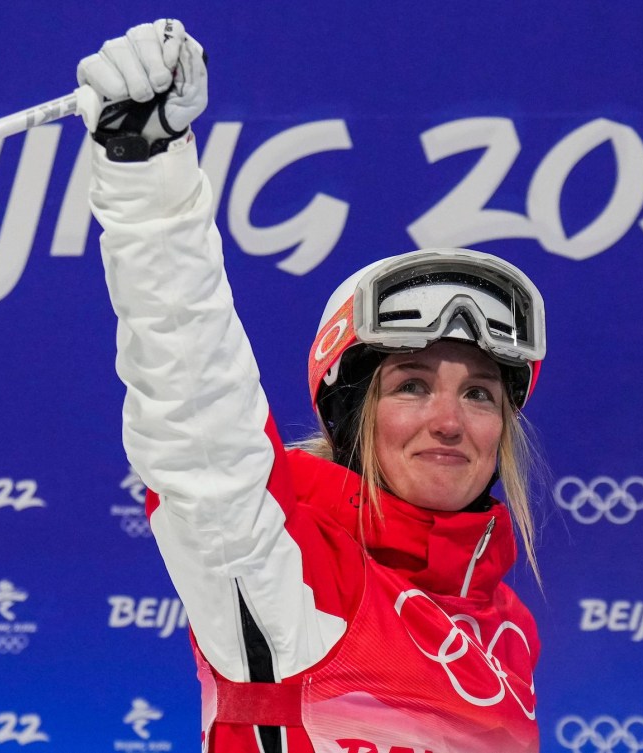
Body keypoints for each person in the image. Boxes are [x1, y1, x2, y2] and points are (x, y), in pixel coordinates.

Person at [81, 19, 547, 753]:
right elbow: (198, 412)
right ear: (351, 414)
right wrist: (147, 175)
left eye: (481, 392)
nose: (450, 420)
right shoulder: (292, 575)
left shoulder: (505, 626)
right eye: (412, 385)